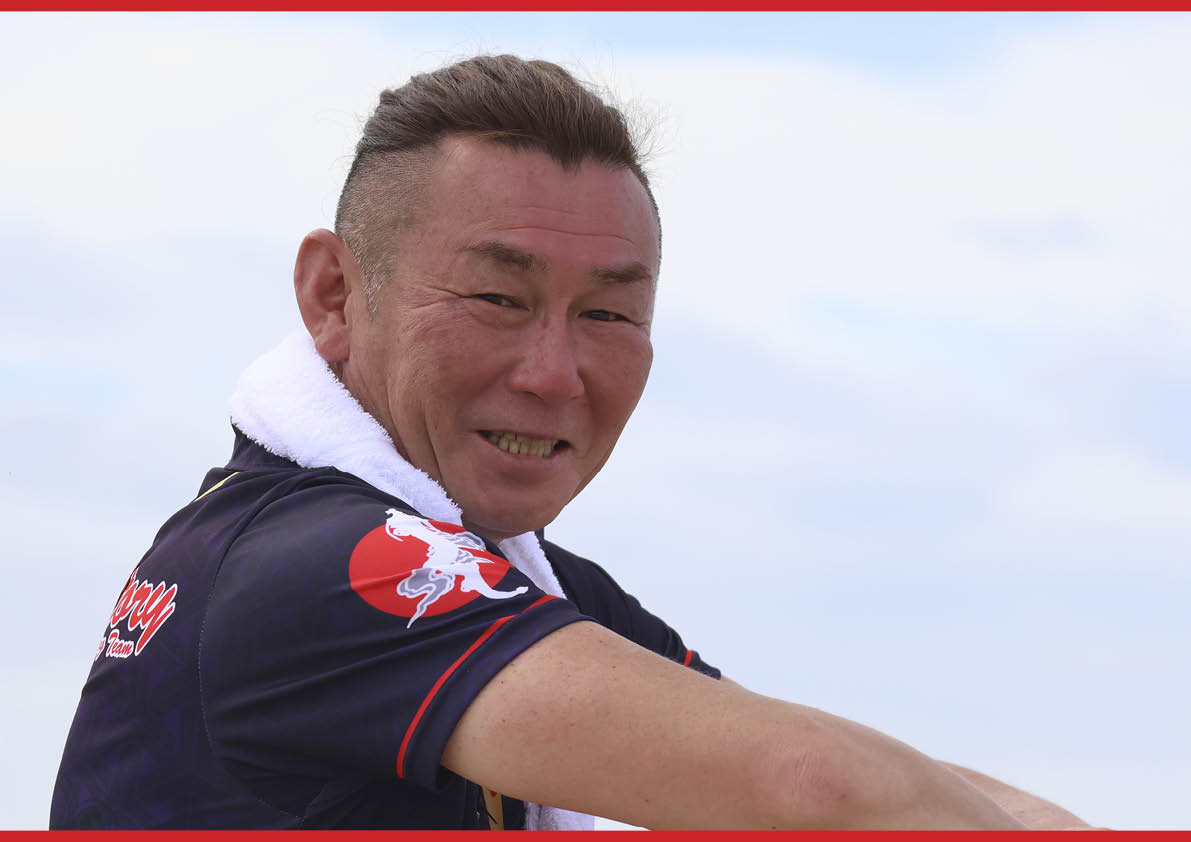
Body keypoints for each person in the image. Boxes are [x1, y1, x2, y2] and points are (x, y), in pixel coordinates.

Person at [50, 54, 1089, 830]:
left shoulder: (520, 582)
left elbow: (848, 770)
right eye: (498, 298)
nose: (554, 373)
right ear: (334, 295)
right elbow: (809, 787)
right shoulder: (324, 570)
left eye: (607, 315)